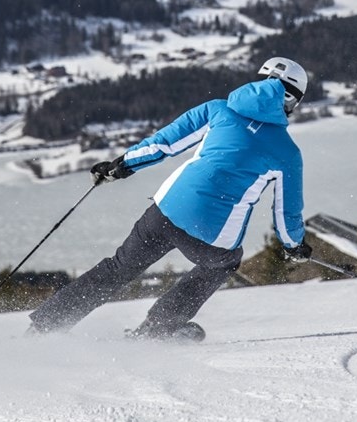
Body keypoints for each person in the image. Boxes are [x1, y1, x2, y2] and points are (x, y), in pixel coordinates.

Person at [27, 56, 313, 339]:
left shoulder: (218, 111)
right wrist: (294, 246)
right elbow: (286, 215)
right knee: (225, 262)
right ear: (292, 102)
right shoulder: (287, 153)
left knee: (119, 268)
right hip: (212, 238)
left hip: (164, 213)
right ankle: (158, 328)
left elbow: (162, 144)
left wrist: (120, 165)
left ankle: (45, 326)